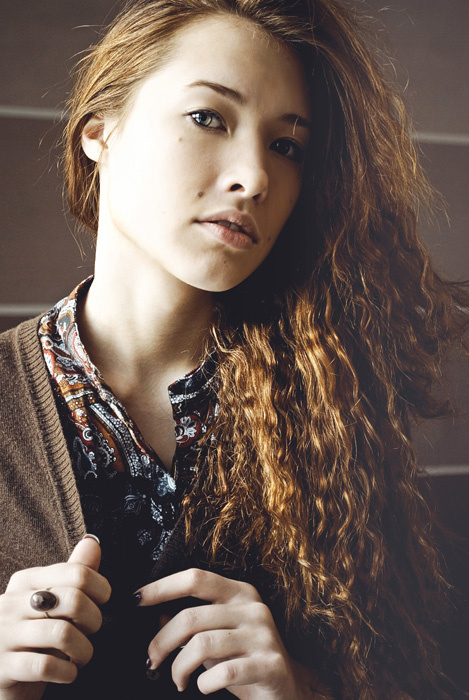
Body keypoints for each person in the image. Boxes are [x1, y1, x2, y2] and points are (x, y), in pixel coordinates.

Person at [0, 0, 467, 698]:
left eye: (287, 146)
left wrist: (304, 689)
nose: (254, 176)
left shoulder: (333, 413)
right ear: (100, 131)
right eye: (208, 117)